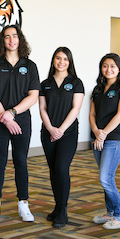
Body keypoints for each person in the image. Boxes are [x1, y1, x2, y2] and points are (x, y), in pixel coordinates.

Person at [0, 24, 40, 222]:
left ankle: (23, 204)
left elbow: (33, 96)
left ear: (20, 39)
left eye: (14, 36)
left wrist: (13, 113)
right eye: (7, 37)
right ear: (2, 41)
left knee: (21, 162)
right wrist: (6, 118)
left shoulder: (30, 66)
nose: (11, 40)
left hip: (22, 119)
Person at [39, 47, 84, 227]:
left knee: (61, 168)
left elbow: (76, 108)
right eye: (58, 58)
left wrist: (61, 130)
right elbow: (42, 108)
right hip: (48, 133)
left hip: (68, 133)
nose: (61, 62)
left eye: (65, 59)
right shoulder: (45, 83)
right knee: (53, 170)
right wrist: (51, 128)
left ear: (69, 62)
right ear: (53, 61)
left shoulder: (76, 82)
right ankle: (57, 206)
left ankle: (63, 211)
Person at [89, 53, 120, 230]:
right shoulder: (98, 88)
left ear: (119, 68)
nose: (108, 69)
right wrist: (96, 131)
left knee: (105, 178)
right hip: (98, 138)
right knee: (106, 178)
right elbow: (92, 114)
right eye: (105, 65)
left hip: (113, 139)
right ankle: (110, 213)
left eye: (113, 66)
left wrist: (103, 133)